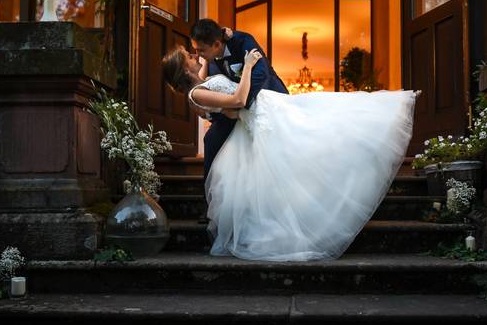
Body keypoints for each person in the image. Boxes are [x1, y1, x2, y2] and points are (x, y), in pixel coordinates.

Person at [161, 44, 417, 262]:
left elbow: (227, 111)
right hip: (262, 116)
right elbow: (238, 101)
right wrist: (248, 66)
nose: (195, 55)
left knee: (323, 121)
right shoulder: (196, 93)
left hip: (268, 110)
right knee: (314, 135)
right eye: (189, 55)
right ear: (184, 69)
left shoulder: (204, 83)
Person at [189, 19, 287, 179]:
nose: (197, 55)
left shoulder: (243, 41)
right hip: (234, 110)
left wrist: (239, 106)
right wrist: (218, 113)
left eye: (201, 50)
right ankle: (211, 191)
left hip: (265, 98)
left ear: (216, 45)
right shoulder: (210, 62)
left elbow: (261, 74)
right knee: (211, 139)